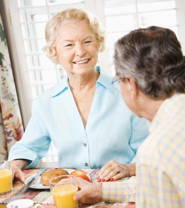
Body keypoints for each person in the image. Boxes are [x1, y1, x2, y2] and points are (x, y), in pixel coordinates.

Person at [67, 26, 185, 208]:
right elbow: (167, 187)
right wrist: (101, 190)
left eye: (118, 80)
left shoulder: (157, 151)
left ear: (130, 84)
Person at [8, 8, 148, 182]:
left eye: (87, 41)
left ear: (98, 43)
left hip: (120, 189)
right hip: (72, 190)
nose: (80, 51)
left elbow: (149, 148)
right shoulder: (46, 102)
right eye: (69, 45)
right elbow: (29, 147)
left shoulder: (127, 91)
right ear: (54, 52)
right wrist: (15, 164)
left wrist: (129, 168)